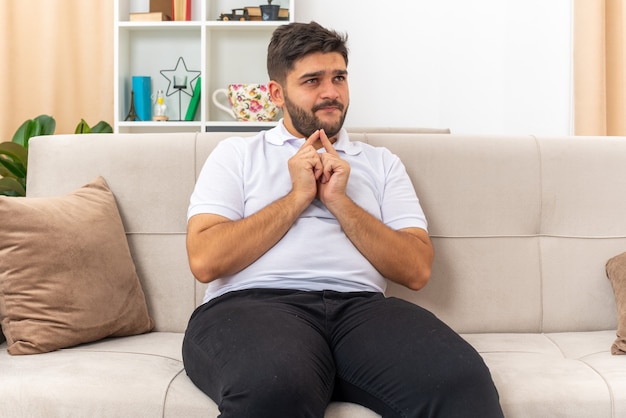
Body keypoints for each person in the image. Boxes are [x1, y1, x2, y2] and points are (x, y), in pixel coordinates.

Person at [183, 21, 504, 418]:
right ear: (276, 93)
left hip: (362, 310)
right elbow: (204, 260)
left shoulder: (381, 164)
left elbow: (417, 270)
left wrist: (340, 201)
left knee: (461, 383)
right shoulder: (236, 155)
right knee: (275, 387)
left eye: (339, 78)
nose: (331, 92)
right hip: (253, 306)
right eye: (313, 80)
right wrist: (297, 197)